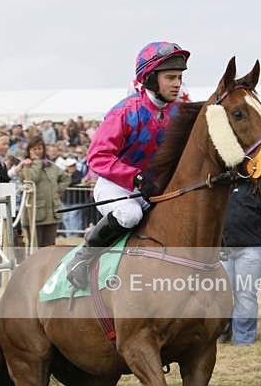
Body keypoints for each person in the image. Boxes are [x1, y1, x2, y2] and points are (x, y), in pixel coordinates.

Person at [66, 41, 189, 289]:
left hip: (152, 187)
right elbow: (98, 156)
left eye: (179, 78)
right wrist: (136, 178)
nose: (177, 83)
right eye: (171, 77)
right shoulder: (124, 112)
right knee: (130, 214)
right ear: (151, 79)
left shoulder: (179, 112)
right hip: (116, 186)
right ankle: (83, 257)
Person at [220, 179, 261, 345]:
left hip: (252, 248)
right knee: (222, 292)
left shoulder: (260, 187)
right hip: (223, 247)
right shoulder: (221, 188)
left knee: (245, 292)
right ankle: (223, 329)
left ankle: (243, 338)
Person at [19, 136, 71, 247]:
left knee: (50, 247)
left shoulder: (51, 166)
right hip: (35, 214)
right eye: (34, 149)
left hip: (52, 214)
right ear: (29, 151)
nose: (38, 151)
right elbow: (32, 179)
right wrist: (37, 162)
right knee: (35, 247)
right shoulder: (26, 166)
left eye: (40, 148)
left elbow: (66, 178)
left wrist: (57, 190)